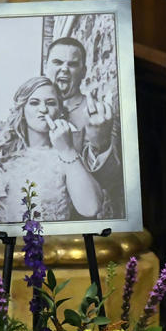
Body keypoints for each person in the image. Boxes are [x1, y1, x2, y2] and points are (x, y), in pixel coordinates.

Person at [0, 76, 103, 223]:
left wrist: (66, 149)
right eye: (34, 103)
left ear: (60, 110)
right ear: (22, 110)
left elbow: (91, 208)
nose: (43, 109)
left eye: (50, 103)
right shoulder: (1, 155)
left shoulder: (70, 154)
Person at [43, 36, 124, 218]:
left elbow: (112, 180)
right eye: (57, 62)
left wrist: (101, 143)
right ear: (46, 66)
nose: (64, 68)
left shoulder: (100, 114)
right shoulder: (33, 109)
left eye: (72, 64)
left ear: (84, 71)